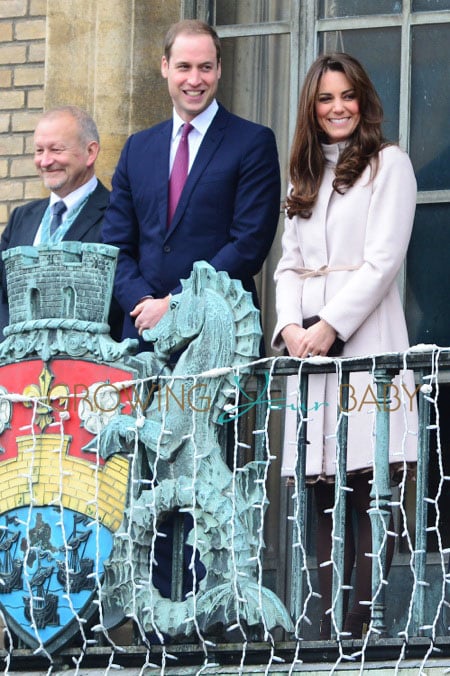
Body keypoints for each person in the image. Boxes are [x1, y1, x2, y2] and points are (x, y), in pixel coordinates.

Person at [272, 53, 418, 639]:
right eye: (326, 99)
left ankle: (361, 627)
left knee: (366, 489)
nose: (338, 109)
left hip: (365, 343)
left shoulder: (389, 165)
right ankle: (326, 624)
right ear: (312, 106)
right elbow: (287, 264)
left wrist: (329, 325)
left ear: (364, 101)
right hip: (308, 353)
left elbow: (383, 261)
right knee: (322, 494)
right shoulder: (301, 175)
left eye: (347, 97)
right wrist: (289, 330)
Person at [102, 19, 281, 346]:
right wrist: (142, 301)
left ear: (220, 69)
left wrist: (175, 304)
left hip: (219, 337)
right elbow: (115, 246)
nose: (195, 80)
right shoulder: (136, 149)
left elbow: (248, 246)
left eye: (205, 67)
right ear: (165, 67)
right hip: (142, 337)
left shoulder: (253, 142)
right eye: (184, 67)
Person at [0, 105, 123, 340]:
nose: (45, 161)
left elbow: (117, 295)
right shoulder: (21, 218)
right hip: (17, 367)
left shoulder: (117, 215)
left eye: (56, 150)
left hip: (86, 366)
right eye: (39, 151)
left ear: (91, 152)